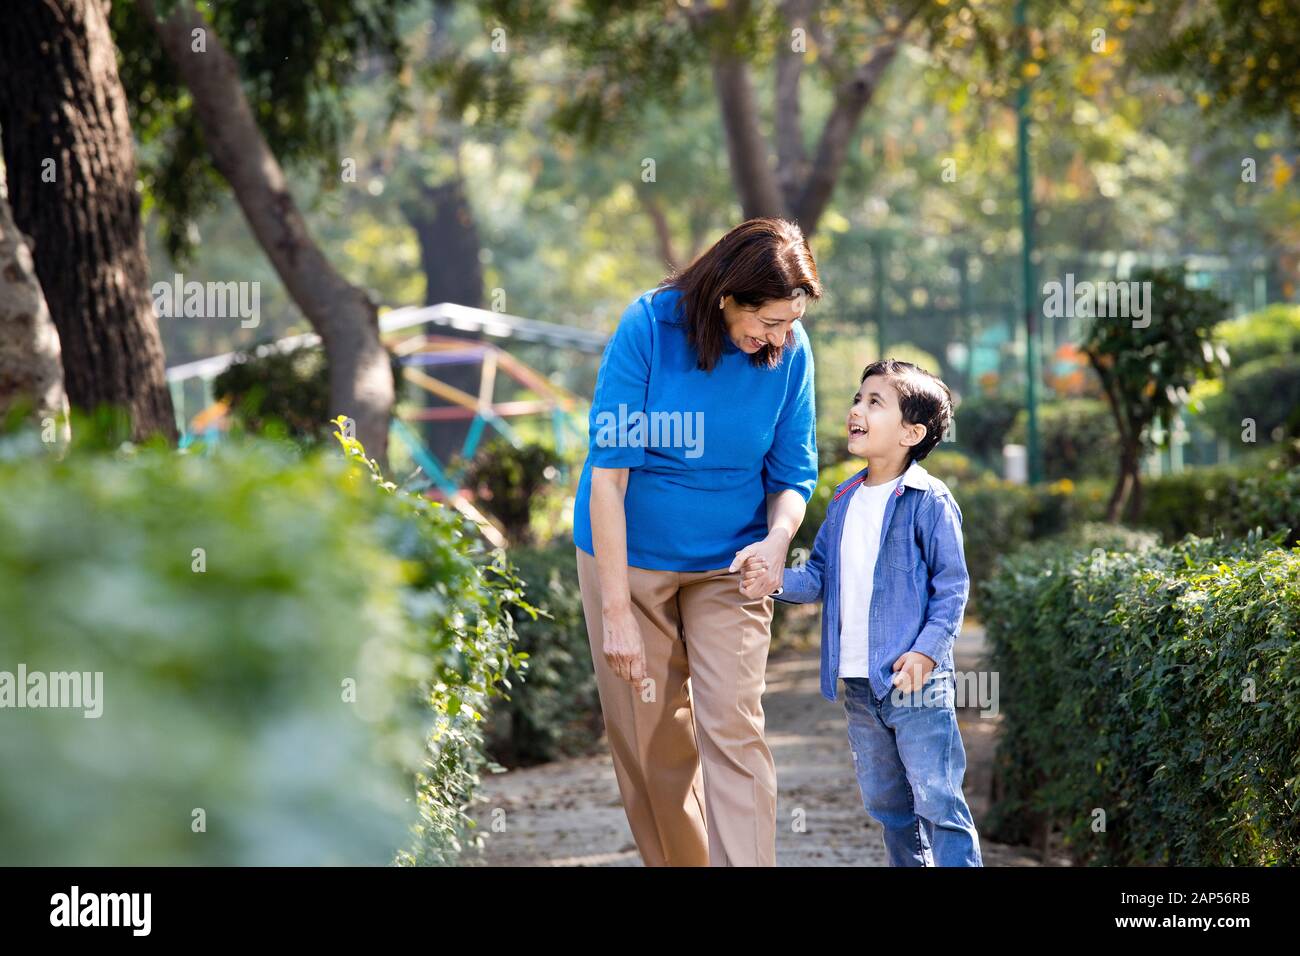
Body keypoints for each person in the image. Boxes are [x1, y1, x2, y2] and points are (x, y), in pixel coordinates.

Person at [572, 217, 821, 866]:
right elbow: (609, 477)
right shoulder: (649, 329)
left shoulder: (790, 353)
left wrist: (776, 540)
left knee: (734, 727)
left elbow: (793, 473)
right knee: (653, 747)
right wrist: (617, 612)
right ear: (726, 296)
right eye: (768, 322)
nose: (780, 337)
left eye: (790, 323)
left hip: (731, 564)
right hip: (629, 555)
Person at [742, 358, 983, 866]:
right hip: (858, 684)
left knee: (938, 799)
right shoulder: (844, 498)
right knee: (888, 805)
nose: (858, 409)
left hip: (915, 681)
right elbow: (819, 576)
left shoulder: (929, 500)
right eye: (858, 398)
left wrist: (926, 652)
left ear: (911, 432)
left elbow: (952, 587)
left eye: (876, 402)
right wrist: (774, 578)